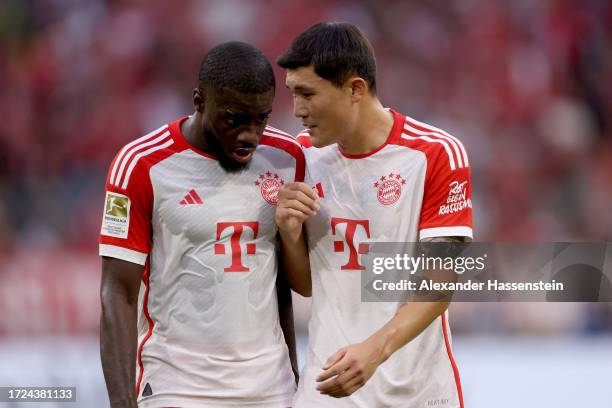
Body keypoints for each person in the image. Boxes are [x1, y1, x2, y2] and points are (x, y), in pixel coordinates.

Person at [275, 22, 473, 407]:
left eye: (307, 94)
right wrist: (288, 232)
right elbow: (307, 284)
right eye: (293, 94)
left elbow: (440, 286)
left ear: (355, 89)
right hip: (328, 387)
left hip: (417, 393)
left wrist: (373, 351)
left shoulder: (436, 153)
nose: (297, 110)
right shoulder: (300, 157)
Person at [99, 41, 304, 407]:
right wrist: (121, 402)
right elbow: (118, 293)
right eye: (233, 118)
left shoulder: (287, 159)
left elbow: (283, 283)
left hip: (270, 387)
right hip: (176, 385)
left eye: (261, 118)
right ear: (198, 101)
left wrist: (294, 374)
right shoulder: (140, 164)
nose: (249, 135)